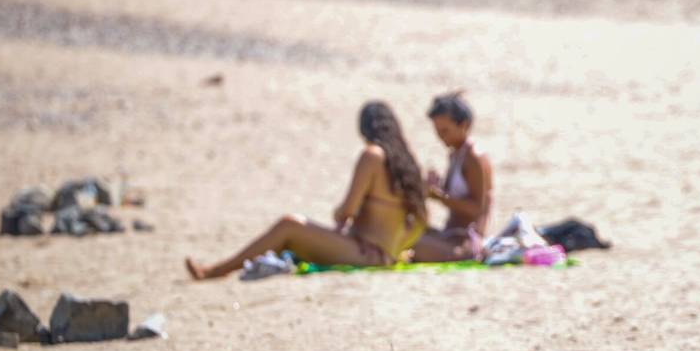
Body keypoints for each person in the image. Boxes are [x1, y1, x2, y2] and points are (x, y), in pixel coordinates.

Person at [185, 101, 427, 279]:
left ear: (365, 129)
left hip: (365, 253)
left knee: (289, 225)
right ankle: (220, 269)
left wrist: (341, 214)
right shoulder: (407, 163)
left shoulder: (372, 156)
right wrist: (396, 247)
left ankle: (217, 270)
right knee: (292, 234)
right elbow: (420, 221)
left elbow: (346, 211)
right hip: (385, 255)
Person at [409, 92, 494, 262]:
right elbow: (452, 197)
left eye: (445, 131)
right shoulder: (456, 155)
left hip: (466, 243)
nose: (440, 137)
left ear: (463, 125)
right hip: (450, 234)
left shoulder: (474, 157)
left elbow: (477, 208)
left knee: (409, 242)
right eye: (438, 132)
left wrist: (438, 196)